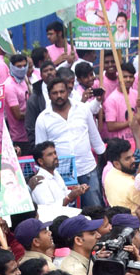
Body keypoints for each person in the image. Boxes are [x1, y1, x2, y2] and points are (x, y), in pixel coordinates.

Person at [35, 78, 106, 207]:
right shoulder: (43, 119)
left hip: (87, 169)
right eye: (54, 93)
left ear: (68, 91)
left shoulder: (83, 109)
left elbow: (94, 136)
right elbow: (41, 150)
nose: (59, 96)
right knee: (69, 215)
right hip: (61, 175)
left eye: (62, 92)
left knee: (96, 210)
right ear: (49, 95)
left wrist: (104, 159)